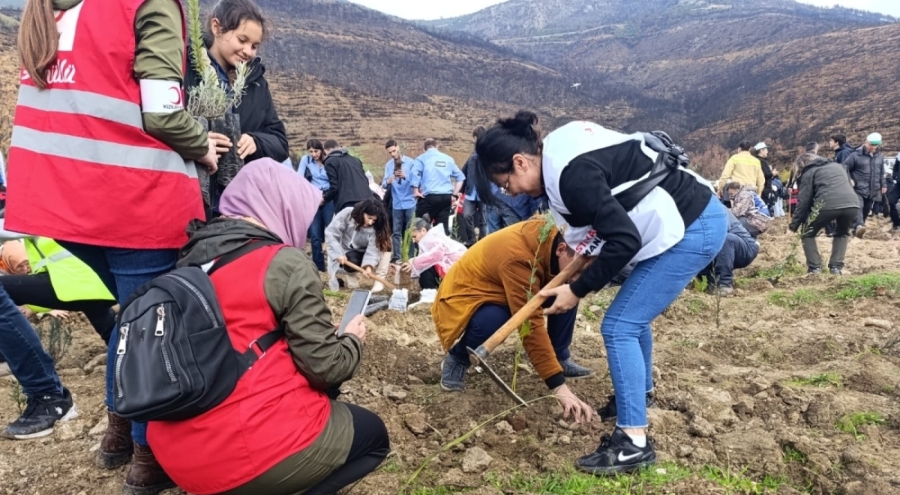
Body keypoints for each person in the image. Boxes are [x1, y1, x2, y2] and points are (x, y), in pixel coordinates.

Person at [7, 0, 221, 492]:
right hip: (131, 200)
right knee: (151, 334)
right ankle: (149, 455)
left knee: (131, 321)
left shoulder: (55, 9)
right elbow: (164, 113)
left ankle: (118, 434)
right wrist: (203, 143)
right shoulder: (147, 4)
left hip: (62, 203)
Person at [472, 112, 727, 475]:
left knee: (620, 325)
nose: (508, 191)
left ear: (520, 161)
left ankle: (633, 442)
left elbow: (624, 240)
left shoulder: (570, 176)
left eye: (504, 182)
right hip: (687, 215)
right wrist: (570, 276)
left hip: (693, 224)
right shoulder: (559, 154)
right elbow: (593, 232)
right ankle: (640, 396)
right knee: (631, 318)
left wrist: (576, 291)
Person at [147, 158, 389, 495]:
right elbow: (328, 368)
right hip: (244, 456)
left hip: (173, 453)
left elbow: (241, 333)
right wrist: (350, 340)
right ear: (283, 209)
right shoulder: (283, 261)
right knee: (374, 438)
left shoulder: (189, 257)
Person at [433, 218, 594, 390]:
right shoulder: (518, 259)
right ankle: (458, 359)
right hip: (470, 294)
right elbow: (530, 322)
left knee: (567, 292)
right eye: (577, 270)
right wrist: (556, 383)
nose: (578, 277)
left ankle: (559, 356)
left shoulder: (556, 239)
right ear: (561, 249)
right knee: (493, 319)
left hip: (506, 285)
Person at [185, 0, 288, 217]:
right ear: (217, 28)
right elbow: (164, 122)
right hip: (188, 197)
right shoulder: (185, 67)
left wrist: (256, 141)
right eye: (242, 40)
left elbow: (279, 141)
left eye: (254, 45)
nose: (248, 51)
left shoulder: (257, 83)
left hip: (237, 208)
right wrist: (196, 139)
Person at [0, 237, 116, 343]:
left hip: (71, 283)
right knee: (113, 335)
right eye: (20, 266)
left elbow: (9, 228)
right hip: (91, 283)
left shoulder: (35, 218)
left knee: (111, 333)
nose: (25, 268)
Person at [789, 153, 859, 275]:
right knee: (842, 233)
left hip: (827, 204)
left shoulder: (809, 172)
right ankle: (836, 268)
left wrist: (793, 226)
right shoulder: (839, 166)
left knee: (807, 233)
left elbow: (803, 202)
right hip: (852, 204)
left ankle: (815, 268)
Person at [325, 199, 392, 292]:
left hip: (365, 251)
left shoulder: (376, 227)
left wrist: (368, 266)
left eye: (374, 220)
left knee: (387, 243)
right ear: (362, 212)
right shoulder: (347, 214)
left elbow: (372, 250)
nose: (370, 222)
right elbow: (331, 233)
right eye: (369, 217)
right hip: (348, 250)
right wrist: (338, 252)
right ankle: (351, 276)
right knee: (351, 259)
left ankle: (379, 280)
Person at [412, 138, 465, 236]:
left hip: (429, 197)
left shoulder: (422, 158)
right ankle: (441, 249)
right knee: (442, 229)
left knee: (420, 226)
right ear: (437, 147)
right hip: (446, 198)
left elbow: (415, 174)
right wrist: (454, 195)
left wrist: (415, 190)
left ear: (424, 149)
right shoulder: (448, 159)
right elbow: (460, 178)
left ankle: (421, 250)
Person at [700, 211, 759, 296]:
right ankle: (709, 283)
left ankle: (724, 284)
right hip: (720, 248)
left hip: (745, 248)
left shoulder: (713, 207)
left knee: (725, 238)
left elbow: (722, 228)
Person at [401, 217, 466, 290]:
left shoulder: (431, 238)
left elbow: (436, 254)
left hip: (457, 269)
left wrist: (413, 262)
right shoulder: (428, 238)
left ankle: (430, 296)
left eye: (414, 236)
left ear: (423, 230)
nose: (413, 241)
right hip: (454, 267)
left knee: (426, 272)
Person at [843, 133, 885, 238]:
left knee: (866, 210)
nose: (872, 147)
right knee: (859, 208)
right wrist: (850, 180)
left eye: (875, 145)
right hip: (857, 188)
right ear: (866, 142)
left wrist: (883, 184)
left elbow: (881, 172)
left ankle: (856, 228)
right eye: (871, 145)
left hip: (872, 190)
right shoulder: (855, 155)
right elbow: (844, 168)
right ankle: (859, 226)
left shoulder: (880, 156)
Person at [381, 140, 417, 263]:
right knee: (396, 232)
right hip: (396, 203)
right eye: (390, 152)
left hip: (410, 201)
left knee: (410, 230)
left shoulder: (411, 163)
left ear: (398, 147)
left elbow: (417, 182)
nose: (392, 154)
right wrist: (388, 181)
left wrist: (406, 176)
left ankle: (411, 256)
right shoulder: (388, 165)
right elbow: (383, 184)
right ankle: (397, 256)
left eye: (394, 151)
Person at [301, 139, 333, 272]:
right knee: (315, 234)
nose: (314, 154)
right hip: (313, 197)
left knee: (331, 231)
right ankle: (318, 267)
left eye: (316, 151)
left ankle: (334, 263)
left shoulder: (329, 161)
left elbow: (334, 180)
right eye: (311, 152)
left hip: (329, 197)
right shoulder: (306, 161)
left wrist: (326, 197)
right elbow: (300, 178)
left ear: (321, 150)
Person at [323, 140, 372, 211]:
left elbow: (334, 187)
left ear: (325, 151)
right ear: (339, 147)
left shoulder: (329, 161)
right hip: (367, 200)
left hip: (347, 203)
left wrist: (325, 198)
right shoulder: (355, 160)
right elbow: (365, 181)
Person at [458, 127, 487, 246]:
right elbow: (463, 171)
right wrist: (461, 190)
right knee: (466, 215)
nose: (474, 141)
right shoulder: (473, 155)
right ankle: (472, 240)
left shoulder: (488, 153)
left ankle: (483, 241)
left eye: (474, 138)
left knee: (483, 220)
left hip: (484, 193)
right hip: (470, 193)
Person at [751, 142, 775, 212]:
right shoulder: (761, 161)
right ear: (761, 151)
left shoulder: (757, 160)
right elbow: (764, 175)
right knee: (765, 206)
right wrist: (772, 174)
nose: (767, 152)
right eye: (766, 150)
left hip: (762, 188)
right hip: (764, 189)